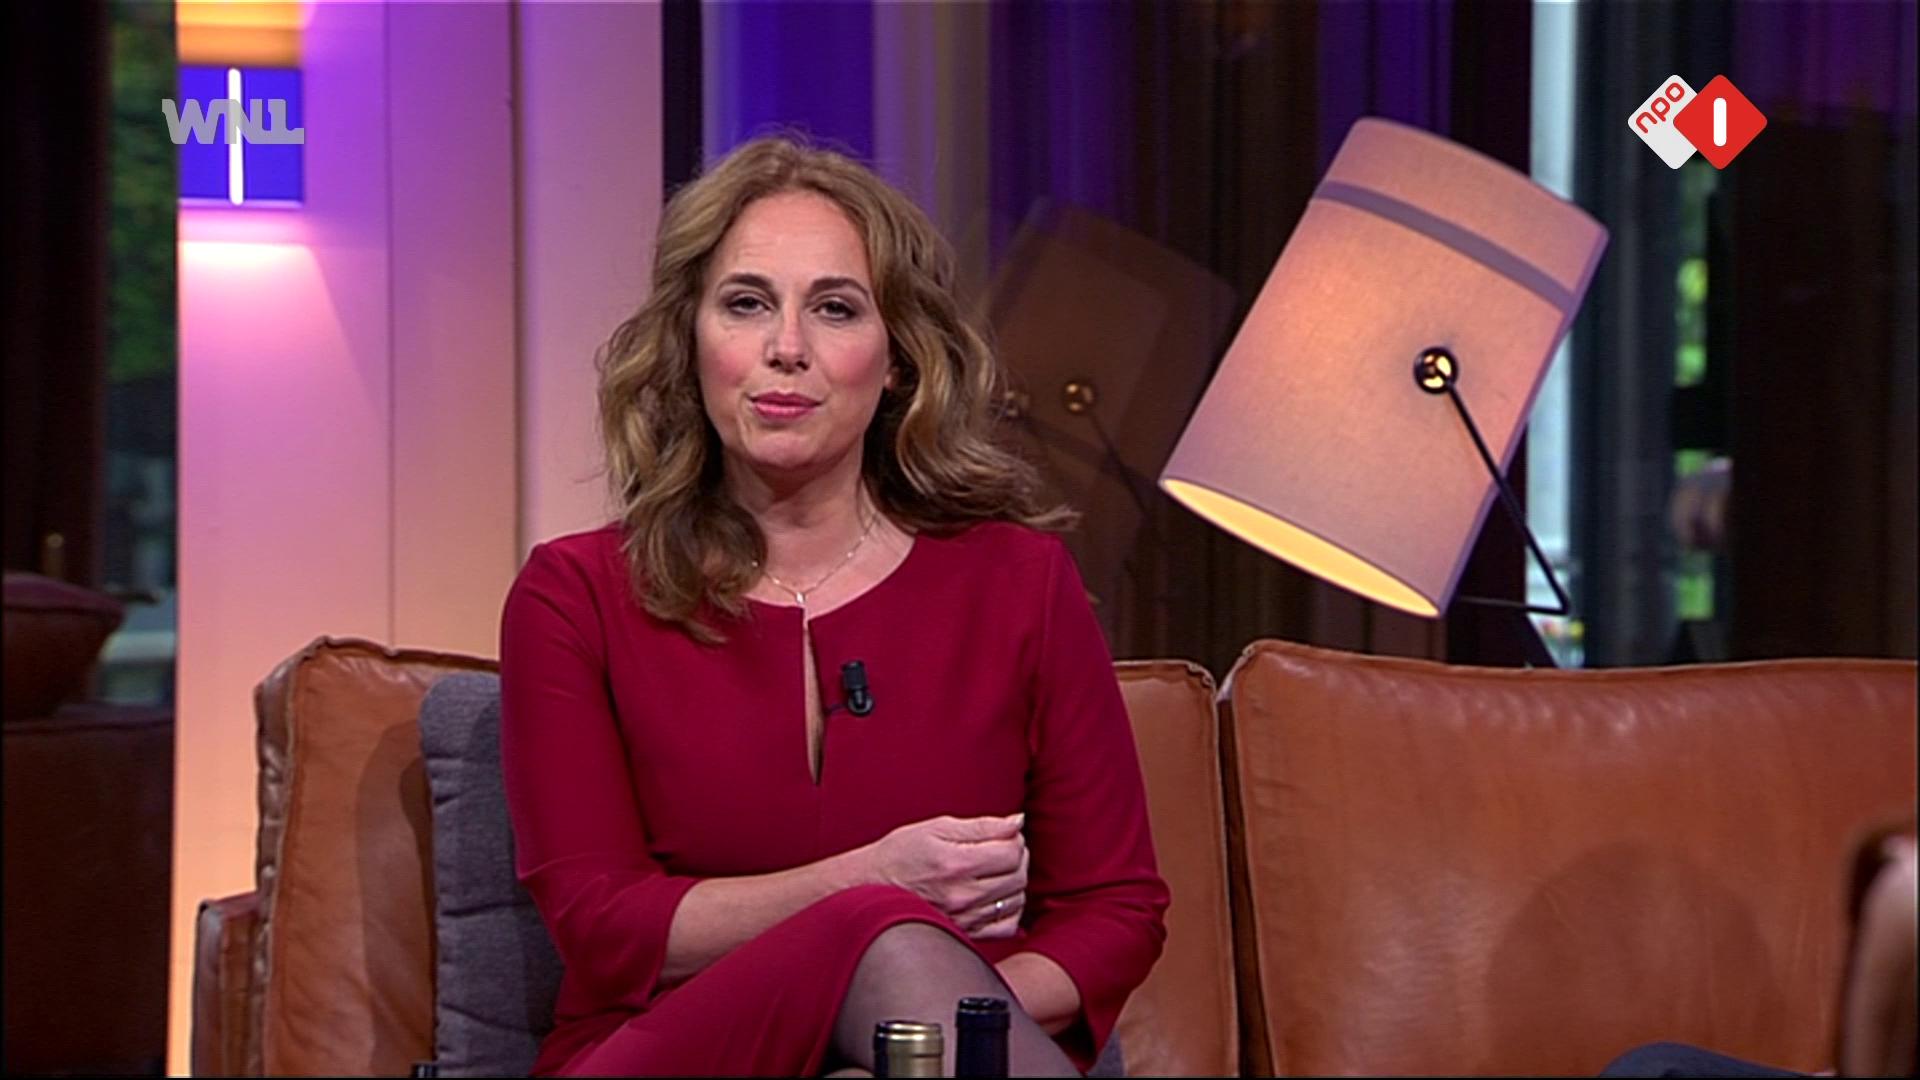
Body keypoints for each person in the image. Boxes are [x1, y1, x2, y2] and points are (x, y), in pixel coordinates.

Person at [498, 133, 1169, 1078]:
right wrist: (877, 892)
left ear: (896, 359)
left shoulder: (1019, 584)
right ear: (691, 341)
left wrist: (924, 1009)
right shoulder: (574, 596)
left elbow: (1116, 910)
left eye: (836, 308)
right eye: (746, 304)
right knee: (888, 947)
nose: (786, 349)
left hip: (936, 1057)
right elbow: (604, 927)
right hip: (665, 1053)